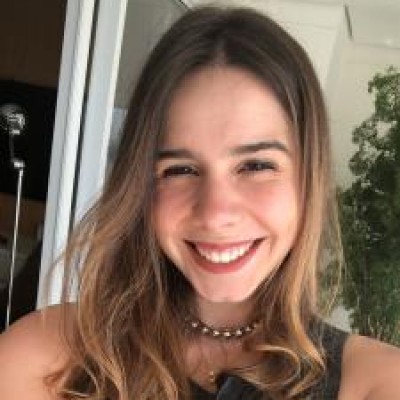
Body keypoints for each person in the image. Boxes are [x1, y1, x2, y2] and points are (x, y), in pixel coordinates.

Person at [0, 6, 399, 400]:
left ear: (309, 177)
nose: (215, 214)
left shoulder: (376, 383)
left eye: (256, 165)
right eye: (180, 170)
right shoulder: (44, 361)